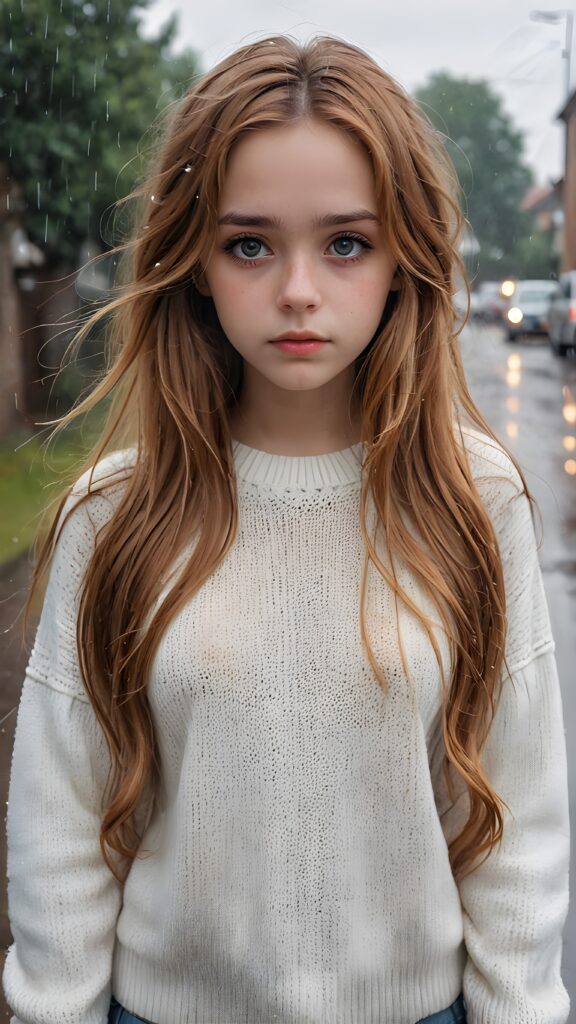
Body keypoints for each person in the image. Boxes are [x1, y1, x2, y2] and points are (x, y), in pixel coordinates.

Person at [2, 34, 570, 1024]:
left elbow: (516, 823)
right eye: (250, 243)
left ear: (403, 259)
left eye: (345, 242)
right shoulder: (114, 513)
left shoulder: (477, 502)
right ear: (194, 260)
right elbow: (62, 826)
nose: (298, 290)